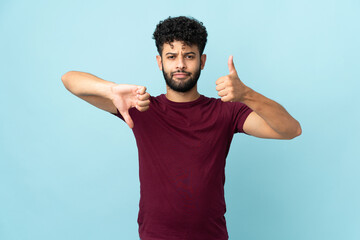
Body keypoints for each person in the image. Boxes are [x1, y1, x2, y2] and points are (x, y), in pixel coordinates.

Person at [61, 16, 301, 240]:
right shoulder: (140, 106)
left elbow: (290, 130)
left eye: (189, 56)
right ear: (160, 62)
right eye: (171, 56)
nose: (180, 64)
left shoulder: (226, 111)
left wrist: (247, 94)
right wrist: (110, 90)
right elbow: (69, 80)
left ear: (202, 61)